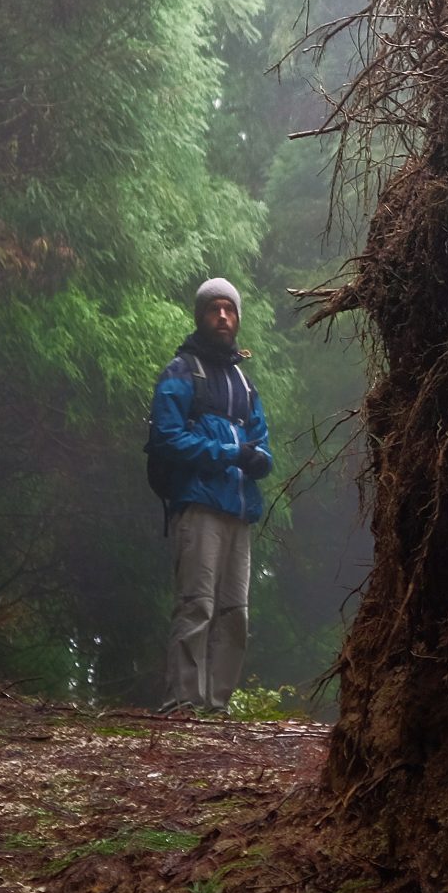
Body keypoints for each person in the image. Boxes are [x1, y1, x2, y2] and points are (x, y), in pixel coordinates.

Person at [150, 277, 272, 713]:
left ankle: (217, 706)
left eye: (230, 310)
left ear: (237, 319)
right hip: (198, 505)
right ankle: (183, 702)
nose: (223, 316)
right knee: (196, 604)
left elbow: (262, 441)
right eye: (214, 309)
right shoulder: (181, 372)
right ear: (200, 317)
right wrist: (231, 452)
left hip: (239, 511)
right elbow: (166, 439)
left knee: (234, 613)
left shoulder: (244, 382)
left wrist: (261, 459)